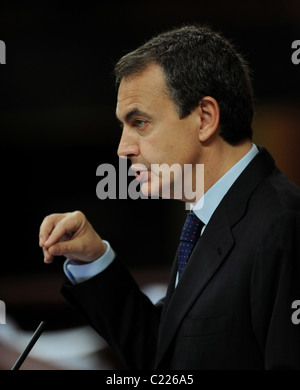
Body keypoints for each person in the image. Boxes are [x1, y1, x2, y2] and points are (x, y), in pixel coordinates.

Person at [39, 25, 300, 369]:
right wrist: (94, 260)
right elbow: (167, 356)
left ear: (205, 118)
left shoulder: (284, 225)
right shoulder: (207, 217)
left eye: (140, 122)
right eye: (123, 126)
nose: (123, 149)